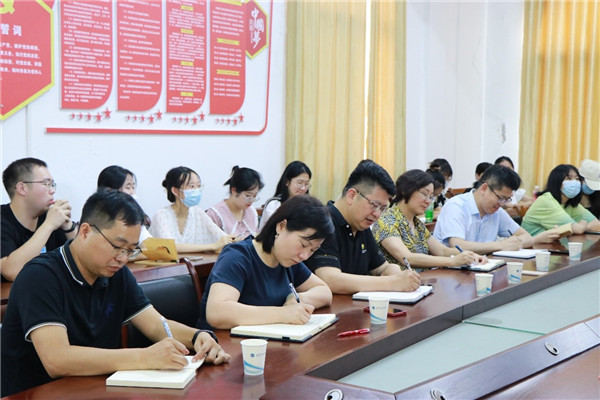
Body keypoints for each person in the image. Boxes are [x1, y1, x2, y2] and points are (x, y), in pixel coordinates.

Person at [1, 191, 230, 397]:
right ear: (85, 231)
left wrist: (198, 337)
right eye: (117, 246)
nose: (122, 258)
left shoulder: (115, 273)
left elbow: (155, 325)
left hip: (94, 388)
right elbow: (57, 360)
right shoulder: (40, 276)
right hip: (36, 393)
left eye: (131, 250)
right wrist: (145, 357)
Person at [197, 195, 334, 330]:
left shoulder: (289, 261)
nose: (304, 256)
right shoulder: (237, 256)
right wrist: (283, 314)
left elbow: (324, 292)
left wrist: (297, 299)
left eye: (312, 250)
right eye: (303, 245)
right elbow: (217, 312)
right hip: (224, 342)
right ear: (281, 226)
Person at [304, 160, 421, 294]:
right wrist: (392, 282)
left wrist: (392, 270)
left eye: (382, 208)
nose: (377, 214)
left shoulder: (361, 226)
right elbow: (330, 280)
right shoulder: (322, 223)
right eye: (374, 205)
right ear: (352, 196)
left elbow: (379, 267)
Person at [373, 170, 486, 272]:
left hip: (424, 282)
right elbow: (407, 258)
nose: (428, 201)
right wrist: (452, 261)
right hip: (402, 285)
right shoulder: (386, 221)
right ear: (404, 190)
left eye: (431, 197)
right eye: (424, 194)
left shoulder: (417, 223)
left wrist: (470, 255)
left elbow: (442, 251)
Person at [433, 165, 558, 254]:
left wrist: (513, 243)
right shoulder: (456, 206)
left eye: (507, 200)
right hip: (451, 273)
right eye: (501, 198)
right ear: (484, 188)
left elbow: (525, 236)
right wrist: (501, 245)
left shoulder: (496, 211)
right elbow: (458, 245)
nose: (502, 204)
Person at [1, 158, 77, 281]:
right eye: (46, 184)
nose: (52, 191)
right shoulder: (3, 220)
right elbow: (11, 272)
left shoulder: (51, 216)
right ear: (22, 188)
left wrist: (68, 227)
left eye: (52, 184)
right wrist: (48, 225)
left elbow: (86, 261)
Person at [150, 166, 235, 252]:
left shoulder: (197, 212)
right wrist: (213, 246)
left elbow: (221, 236)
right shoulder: (161, 215)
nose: (196, 190)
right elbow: (170, 247)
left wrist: (236, 239)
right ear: (175, 191)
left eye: (198, 186)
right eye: (192, 186)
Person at [521, 164, 600, 236]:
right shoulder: (546, 201)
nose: (575, 182)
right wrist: (582, 224)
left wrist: (582, 226)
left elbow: (596, 224)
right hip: (531, 246)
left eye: (577, 178)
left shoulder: (569, 202)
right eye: (569, 178)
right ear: (557, 182)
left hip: (551, 244)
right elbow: (578, 229)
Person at [97, 165, 152, 243]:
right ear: (109, 191)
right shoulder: (96, 216)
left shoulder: (134, 214)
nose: (132, 192)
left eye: (133, 187)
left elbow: (147, 241)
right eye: (128, 188)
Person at [206, 166, 264, 239]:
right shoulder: (214, 214)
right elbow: (211, 243)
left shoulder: (251, 211)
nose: (251, 200)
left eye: (254, 196)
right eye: (248, 195)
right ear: (234, 190)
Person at [258, 160, 312, 231]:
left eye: (306, 184)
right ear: (287, 182)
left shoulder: (308, 205)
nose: (303, 188)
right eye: (299, 183)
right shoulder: (274, 205)